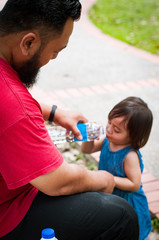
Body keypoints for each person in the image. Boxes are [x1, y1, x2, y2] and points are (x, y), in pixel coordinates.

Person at [0, 1, 139, 239]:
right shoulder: (14, 105)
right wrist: (102, 178)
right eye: (56, 50)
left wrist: (52, 112)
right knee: (121, 214)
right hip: (7, 215)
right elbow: (57, 181)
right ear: (29, 42)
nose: (53, 58)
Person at [81, 96, 153, 240]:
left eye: (117, 129)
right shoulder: (108, 140)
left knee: (130, 231)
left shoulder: (129, 155)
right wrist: (89, 138)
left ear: (134, 136)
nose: (109, 129)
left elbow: (134, 184)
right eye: (109, 123)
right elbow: (87, 150)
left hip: (128, 201)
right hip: (109, 194)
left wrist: (109, 179)